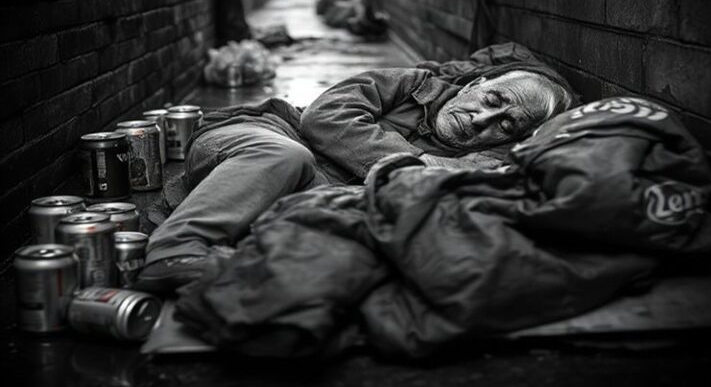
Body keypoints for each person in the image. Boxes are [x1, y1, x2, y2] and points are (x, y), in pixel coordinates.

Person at [136, 66, 573, 294]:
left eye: (506, 125)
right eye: (492, 99)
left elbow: (471, 181)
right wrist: (414, 161)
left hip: (313, 185)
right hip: (261, 137)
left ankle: (235, 248)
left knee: (345, 218)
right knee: (285, 156)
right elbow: (325, 117)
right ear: (472, 84)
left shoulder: (494, 158)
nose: (483, 119)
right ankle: (173, 252)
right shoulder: (413, 83)